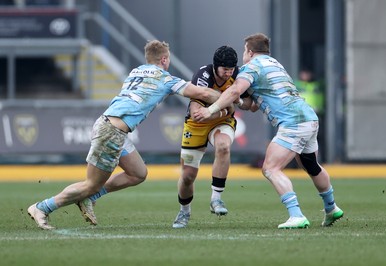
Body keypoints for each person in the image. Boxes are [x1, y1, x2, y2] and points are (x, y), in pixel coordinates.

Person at [27, 40, 222, 230]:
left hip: (111, 127)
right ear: (164, 60)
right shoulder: (164, 78)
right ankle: (42, 207)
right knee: (91, 185)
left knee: (138, 173)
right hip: (111, 132)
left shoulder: (136, 71)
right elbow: (203, 93)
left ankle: (91, 198)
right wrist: (230, 98)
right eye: (168, 59)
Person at [193, 33, 344, 229]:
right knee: (311, 165)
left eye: (244, 51)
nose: (243, 56)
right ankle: (331, 208)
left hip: (293, 123)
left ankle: (296, 215)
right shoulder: (275, 64)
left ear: (249, 51)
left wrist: (210, 110)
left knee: (270, 168)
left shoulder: (251, 67)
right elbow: (253, 105)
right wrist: (238, 101)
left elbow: (234, 91)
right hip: (310, 118)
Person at [172, 45, 250, 229]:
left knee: (223, 146)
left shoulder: (238, 75)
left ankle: (216, 199)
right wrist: (225, 108)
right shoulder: (203, 75)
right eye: (225, 69)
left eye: (231, 69)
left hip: (221, 122)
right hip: (196, 125)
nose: (228, 73)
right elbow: (195, 112)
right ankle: (184, 211)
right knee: (188, 177)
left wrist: (233, 103)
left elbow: (247, 105)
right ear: (215, 66)